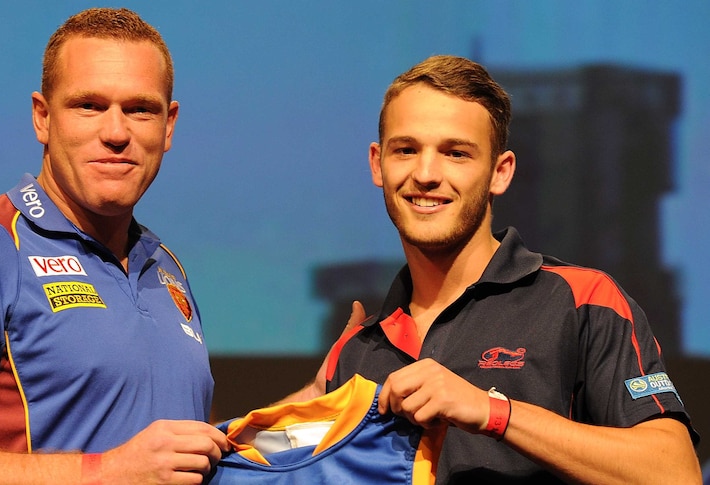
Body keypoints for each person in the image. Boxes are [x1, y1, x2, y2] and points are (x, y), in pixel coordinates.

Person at [285, 55, 701, 483]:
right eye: (406, 150)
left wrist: (492, 411)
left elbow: (675, 473)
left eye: (456, 153)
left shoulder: (582, 302)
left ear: (499, 172)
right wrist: (316, 396)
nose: (426, 174)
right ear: (378, 163)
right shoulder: (359, 349)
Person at [0, 8, 228, 484]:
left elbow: (182, 462)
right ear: (43, 118)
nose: (116, 133)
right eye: (88, 105)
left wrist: (305, 407)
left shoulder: (165, 269)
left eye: (140, 109)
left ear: (168, 125)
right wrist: (108, 472)